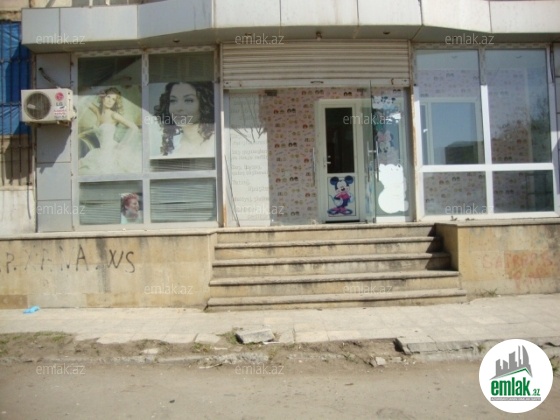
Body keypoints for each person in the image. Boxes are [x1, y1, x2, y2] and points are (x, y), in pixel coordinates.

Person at [78, 87, 140, 174]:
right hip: (100, 151)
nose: (110, 101)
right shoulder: (97, 111)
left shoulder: (113, 115)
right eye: (108, 97)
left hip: (111, 152)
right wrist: (96, 92)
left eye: (113, 99)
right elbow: (83, 100)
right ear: (103, 97)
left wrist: (123, 144)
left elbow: (134, 127)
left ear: (115, 103)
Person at [152, 82, 215, 158]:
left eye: (188, 100)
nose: (178, 108)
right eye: (173, 100)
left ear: (204, 104)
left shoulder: (218, 141)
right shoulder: (170, 144)